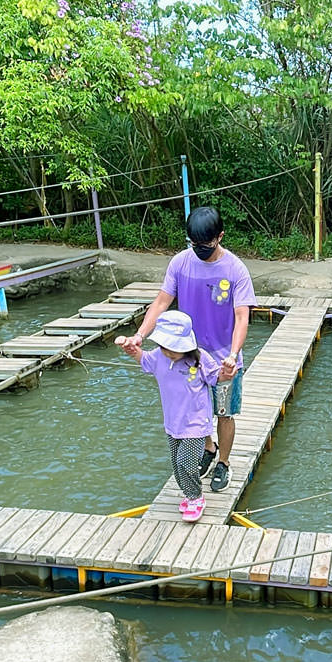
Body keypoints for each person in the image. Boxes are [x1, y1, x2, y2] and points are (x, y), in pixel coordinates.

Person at [122, 207, 254, 493]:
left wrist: (232, 355)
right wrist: (140, 335)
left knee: (224, 412)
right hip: (187, 355)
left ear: (220, 237)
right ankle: (208, 447)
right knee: (196, 408)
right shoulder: (181, 263)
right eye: (194, 244)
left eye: (205, 245)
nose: (199, 250)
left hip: (221, 357)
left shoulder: (235, 270)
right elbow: (161, 303)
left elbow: (242, 316)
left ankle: (224, 462)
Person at [117, 312, 220, 522]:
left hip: (195, 424)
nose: (169, 352)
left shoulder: (199, 359)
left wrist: (228, 371)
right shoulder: (159, 356)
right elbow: (144, 359)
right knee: (176, 463)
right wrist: (131, 349)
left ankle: (196, 497)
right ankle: (188, 494)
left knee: (187, 462)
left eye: (174, 348)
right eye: (166, 346)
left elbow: (216, 377)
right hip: (173, 423)